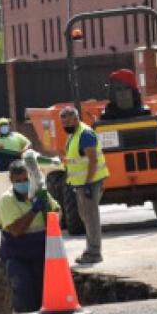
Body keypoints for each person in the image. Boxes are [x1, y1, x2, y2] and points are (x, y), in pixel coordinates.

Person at [0, 160, 59, 313]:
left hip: (41, 254)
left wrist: (50, 211)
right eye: (18, 181)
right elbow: (16, 230)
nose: (23, 183)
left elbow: (57, 213)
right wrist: (34, 210)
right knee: (24, 296)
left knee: (44, 296)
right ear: (11, 180)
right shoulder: (7, 200)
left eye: (25, 179)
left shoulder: (39, 193)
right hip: (17, 257)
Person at [59, 106, 108, 265]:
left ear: (76, 119)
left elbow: (93, 160)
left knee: (91, 217)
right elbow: (79, 159)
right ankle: (91, 249)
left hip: (90, 182)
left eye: (68, 122)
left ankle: (94, 252)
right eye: (63, 123)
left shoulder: (85, 134)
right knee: (86, 216)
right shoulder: (74, 134)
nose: (66, 126)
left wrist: (88, 183)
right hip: (82, 183)